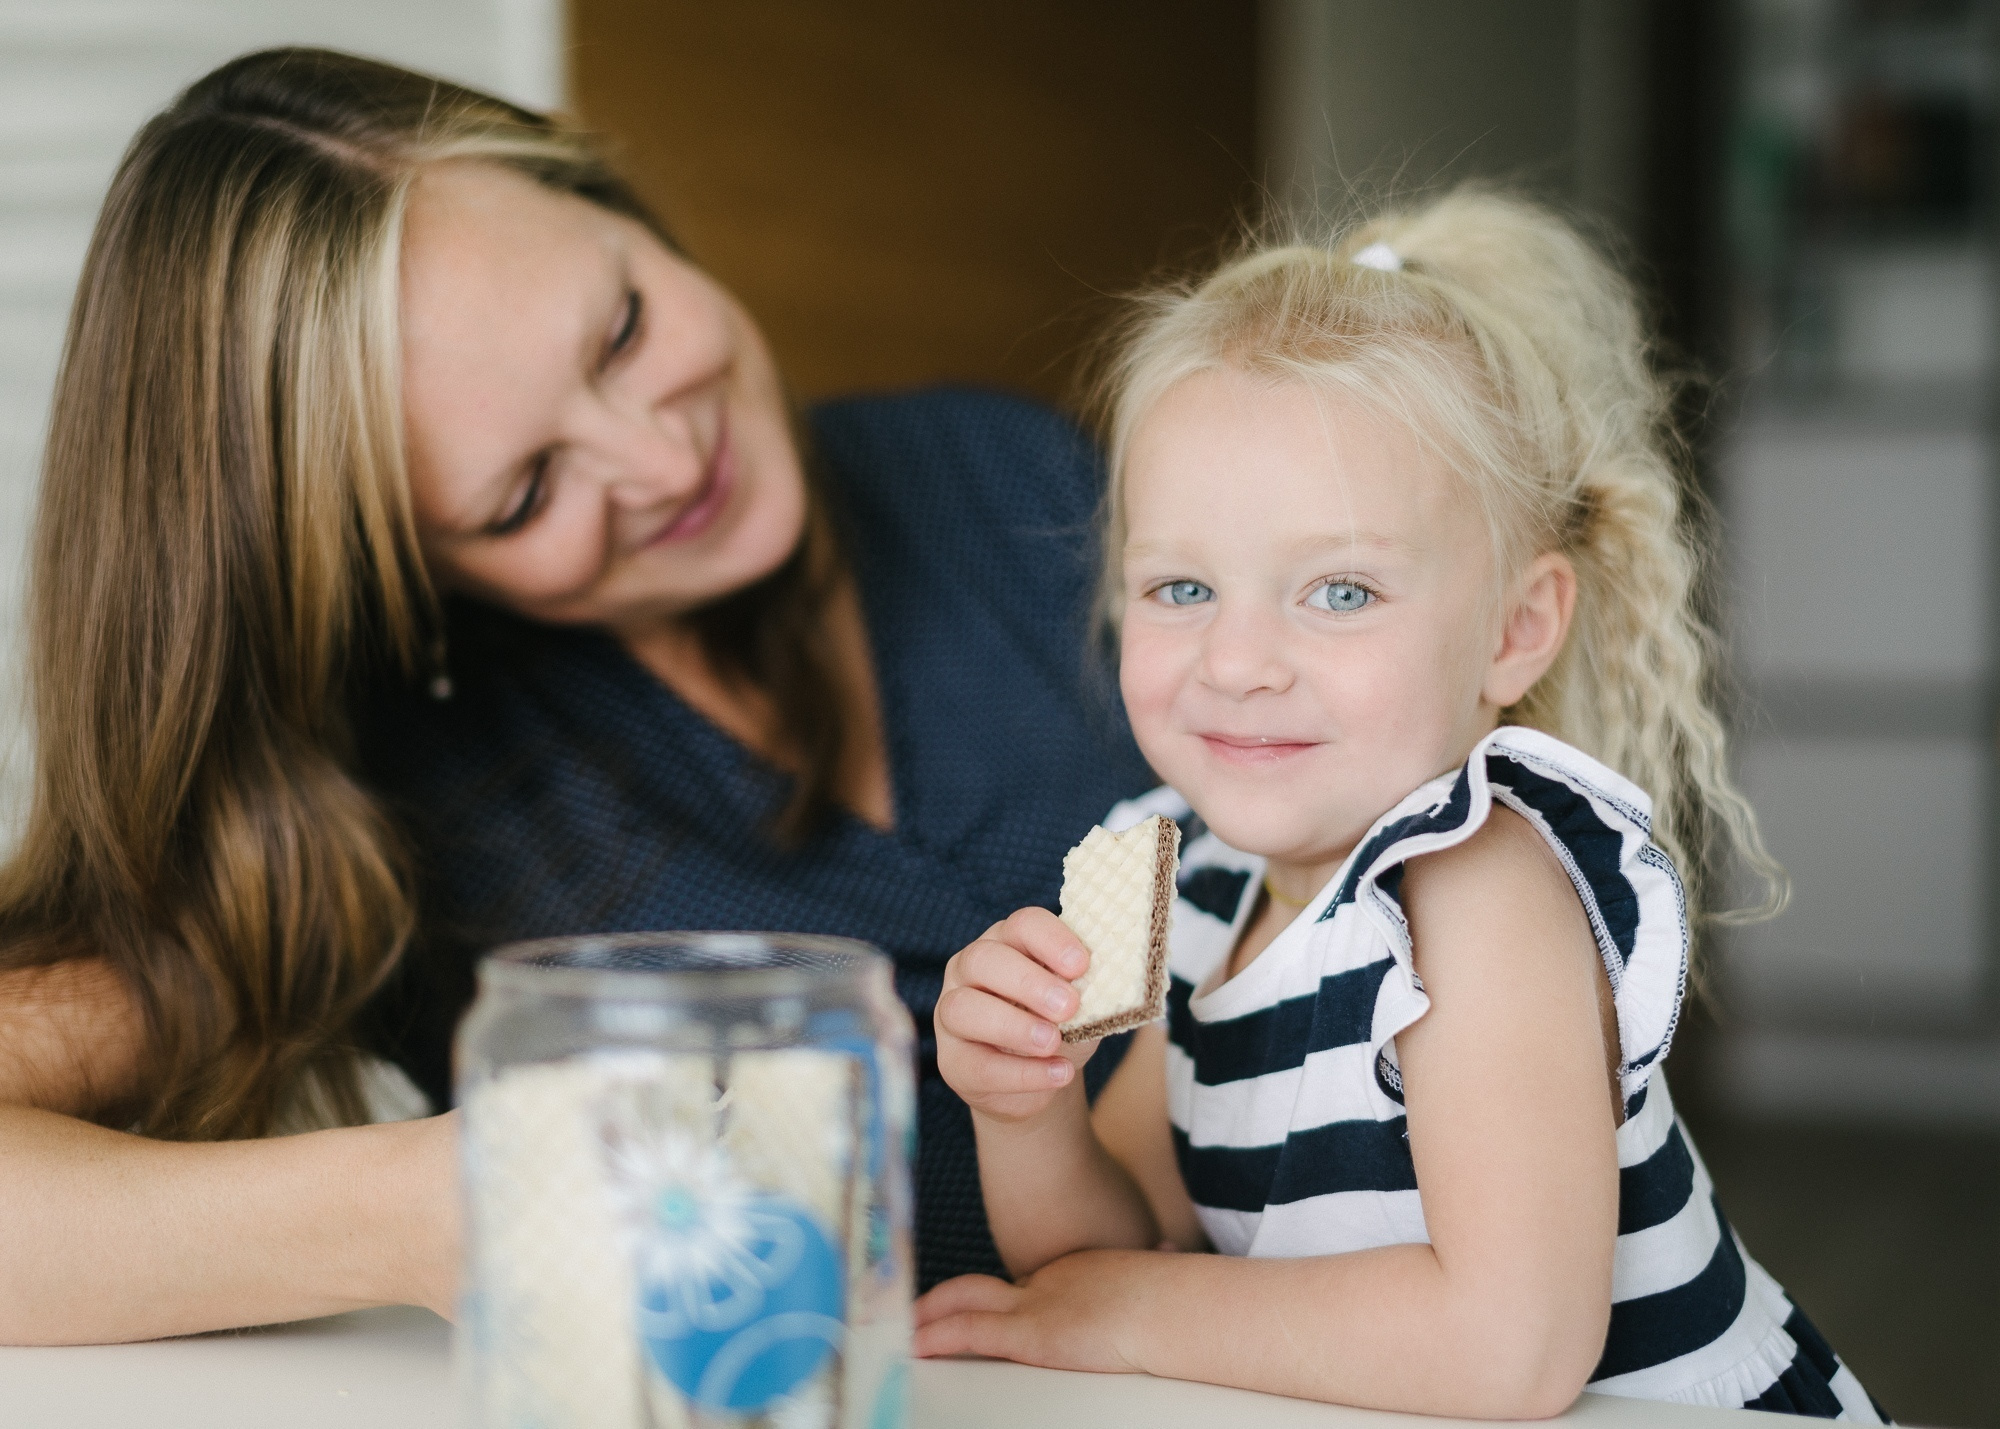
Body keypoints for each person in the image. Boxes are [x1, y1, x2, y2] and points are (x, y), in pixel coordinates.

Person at [0, 48, 1152, 1345]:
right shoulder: (399, 809)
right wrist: (421, 1204)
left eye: (622, 331)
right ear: (403, 575)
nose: (662, 461)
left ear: (612, 203)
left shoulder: (1010, 474)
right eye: (525, 495)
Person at [917, 191, 1887, 1421]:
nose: (1235, 661)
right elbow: (1107, 1256)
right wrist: (1025, 1108)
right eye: (1180, 588)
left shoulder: (1473, 880)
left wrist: (1121, 1312)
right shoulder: (1194, 883)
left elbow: (1507, 1347)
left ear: (1513, 630)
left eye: (1338, 592)